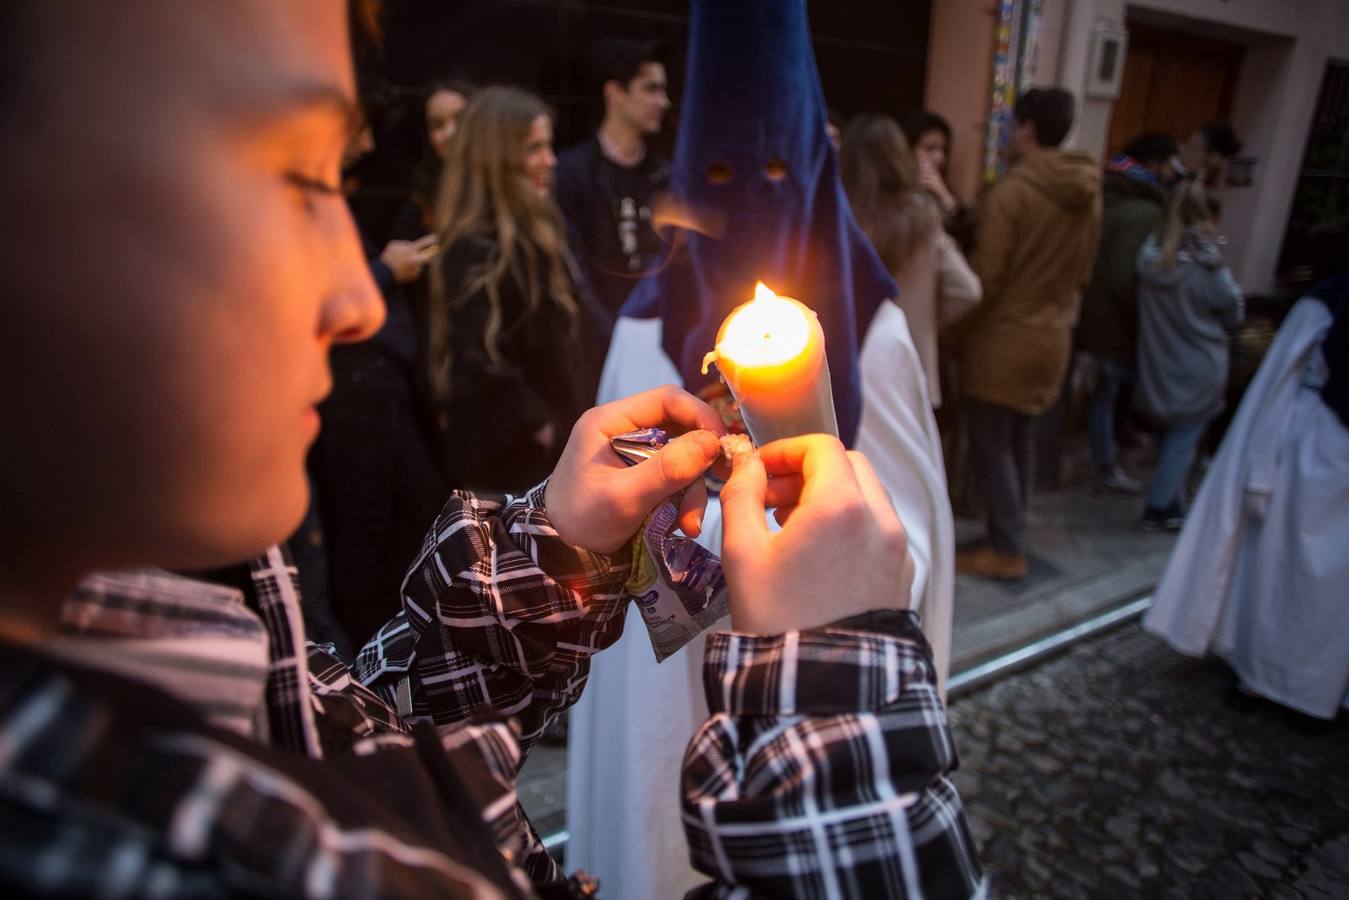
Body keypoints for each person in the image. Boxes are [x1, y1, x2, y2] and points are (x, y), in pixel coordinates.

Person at [0, 2, 986, 897]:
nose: (356, 298)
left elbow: (353, 738)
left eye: (339, 177)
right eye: (298, 178)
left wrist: (547, 552)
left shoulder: (164, 604)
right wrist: (837, 710)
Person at [566, 4, 960, 896]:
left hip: (817, 672)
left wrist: (822, 564)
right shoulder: (641, 332)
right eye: (716, 175)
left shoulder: (873, 337)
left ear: (813, 171)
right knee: (655, 824)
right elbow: (615, 549)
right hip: (669, 671)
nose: (748, 196)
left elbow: (914, 540)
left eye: (777, 169)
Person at [1144, 228, 1348, 721]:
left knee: (1296, 572)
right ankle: (1305, 685)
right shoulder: (1326, 303)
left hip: (1316, 447)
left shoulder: (1325, 303)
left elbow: (1281, 377)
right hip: (1318, 447)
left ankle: (1281, 680)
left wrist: (1257, 465)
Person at [306, 107, 448, 651]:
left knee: (410, 516)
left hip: (384, 392)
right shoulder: (311, 206)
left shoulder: (334, 198)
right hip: (350, 399)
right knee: (361, 535)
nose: (367, 143)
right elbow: (323, 302)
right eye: (359, 129)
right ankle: (361, 665)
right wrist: (387, 271)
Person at [951, 88, 1102, 580]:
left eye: (1013, 124)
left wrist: (952, 329)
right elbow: (1083, 274)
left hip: (1003, 342)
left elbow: (984, 281)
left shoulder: (1014, 192)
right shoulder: (1087, 193)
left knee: (993, 445)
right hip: (1053, 338)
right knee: (1020, 442)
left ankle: (1007, 548)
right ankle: (1011, 533)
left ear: (1029, 128)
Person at [429, 86, 592, 493]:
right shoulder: (474, 249)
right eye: (534, 148)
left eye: (548, 146)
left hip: (550, 455)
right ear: (497, 158)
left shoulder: (538, 230)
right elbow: (478, 361)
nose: (549, 161)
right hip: (509, 468)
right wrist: (541, 428)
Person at [842, 112, 982, 407]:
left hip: (851, 371)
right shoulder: (923, 217)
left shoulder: (839, 218)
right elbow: (968, 291)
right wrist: (926, 321)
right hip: (911, 367)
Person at [1134, 180, 1244, 529]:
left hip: (1158, 360)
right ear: (1207, 217)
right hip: (1199, 364)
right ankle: (1161, 505)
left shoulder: (1150, 260)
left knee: (1175, 437)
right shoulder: (1208, 268)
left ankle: (1173, 502)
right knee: (1184, 438)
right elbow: (1234, 312)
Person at [554, 38, 672, 356]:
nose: (663, 101)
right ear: (615, 93)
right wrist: (613, 338)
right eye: (650, 89)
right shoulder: (570, 173)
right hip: (598, 347)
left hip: (662, 343)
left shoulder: (665, 175)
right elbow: (572, 269)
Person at [1077, 132, 1180, 494]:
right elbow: (1126, 274)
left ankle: (1108, 459)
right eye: (1169, 164)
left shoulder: (1108, 196)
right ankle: (1107, 464)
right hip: (1114, 322)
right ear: (1155, 165)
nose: (1173, 172)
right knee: (1107, 395)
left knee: (1104, 394)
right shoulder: (1142, 212)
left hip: (1095, 314)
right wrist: (1147, 312)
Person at [902, 108, 977, 251]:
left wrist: (945, 198)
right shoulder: (895, 191)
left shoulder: (944, 193)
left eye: (944, 150)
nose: (940, 158)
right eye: (929, 149)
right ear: (909, 150)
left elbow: (966, 237)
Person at [1177, 120, 1243, 187]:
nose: (1182, 151)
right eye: (1187, 143)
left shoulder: (1192, 186)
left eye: (1193, 148)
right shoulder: (1172, 152)